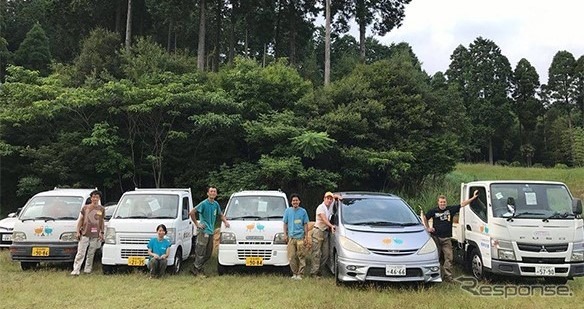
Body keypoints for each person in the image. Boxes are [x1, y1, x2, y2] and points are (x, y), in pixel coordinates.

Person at [423, 190, 479, 282]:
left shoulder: (450, 210)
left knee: (449, 258)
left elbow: (463, 204)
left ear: (446, 202)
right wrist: (428, 228)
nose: (442, 204)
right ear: (438, 202)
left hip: (446, 239)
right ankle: (434, 276)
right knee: (435, 257)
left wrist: (473, 197)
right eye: (441, 202)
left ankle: (448, 277)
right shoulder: (433, 211)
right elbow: (425, 217)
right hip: (436, 238)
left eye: (444, 202)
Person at [189, 186, 230, 277]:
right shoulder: (203, 203)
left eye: (214, 191)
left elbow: (220, 215)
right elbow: (192, 212)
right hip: (203, 231)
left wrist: (226, 222)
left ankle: (197, 267)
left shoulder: (216, 204)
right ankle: (197, 270)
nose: (213, 193)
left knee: (208, 253)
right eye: (211, 191)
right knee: (201, 251)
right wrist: (197, 224)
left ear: (216, 194)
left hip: (211, 231)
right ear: (208, 193)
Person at [71, 190, 105, 276]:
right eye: (93, 197)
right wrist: (78, 231)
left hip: (95, 234)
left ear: (99, 198)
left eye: (97, 197)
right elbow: (81, 220)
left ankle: (88, 269)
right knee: (81, 252)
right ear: (91, 198)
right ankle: (76, 269)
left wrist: (102, 232)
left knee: (91, 253)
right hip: (85, 233)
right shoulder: (85, 208)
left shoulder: (101, 209)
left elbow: (101, 221)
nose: (95, 199)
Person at [310, 191, 337, 277]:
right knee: (316, 253)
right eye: (327, 198)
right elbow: (324, 219)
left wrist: (337, 197)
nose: (329, 200)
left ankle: (320, 271)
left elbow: (335, 197)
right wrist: (331, 225)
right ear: (324, 199)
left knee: (326, 253)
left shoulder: (330, 207)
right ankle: (314, 272)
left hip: (325, 232)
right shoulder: (321, 208)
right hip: (318, 231)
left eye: (330, 199)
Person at [283, 193, 310, 280]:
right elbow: (285, 223)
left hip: (300, 238)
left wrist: (306, 236)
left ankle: (300, 274)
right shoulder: (287, 211)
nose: (295, 202)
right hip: (291, 237)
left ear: (299, 201)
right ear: (291, 202)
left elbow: (305, 224)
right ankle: (294, 273)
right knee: (291, 257)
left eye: (296, 200)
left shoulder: (303, 211)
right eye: (293, 200)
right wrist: (285, 234)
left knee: (301, 256)